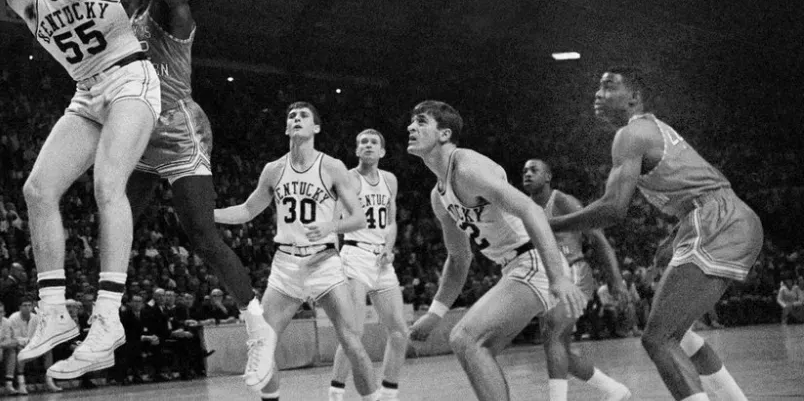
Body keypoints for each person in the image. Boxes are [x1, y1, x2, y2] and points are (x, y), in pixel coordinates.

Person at [78, 0, 278, 384]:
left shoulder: (176, 3)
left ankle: (257, 326)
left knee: (202, 237)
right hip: (138, 123)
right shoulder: (132, 7)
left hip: (178, 126)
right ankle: (104, 320)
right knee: (112, 212)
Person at [5, 0, 162, 379]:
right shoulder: (28, 1)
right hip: (87, 93)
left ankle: (108, 317)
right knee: (37, 190)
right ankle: (54, 311)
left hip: (130, 77)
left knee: (107, 186)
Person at [550, 67, 762, 401]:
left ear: (633, 97)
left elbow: (613, 208)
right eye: (597, 88)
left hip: (716, 219)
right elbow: (704, 181)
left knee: (658, 339)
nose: (597, 94)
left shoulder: (632, 134)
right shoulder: (654, 129)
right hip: (727, 216)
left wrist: (551, 224)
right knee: (683, 337)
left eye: (608, 87)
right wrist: (676, 234)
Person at [404, 101, 586, 401]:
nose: (411, 127)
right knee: (476, 346)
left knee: (466, 339)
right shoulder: (439, 196)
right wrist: (435, 313)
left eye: (421, 121)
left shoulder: (467, 167)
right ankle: (614, 391)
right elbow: (459, 258)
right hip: (515, 267)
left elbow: (531, 209)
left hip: (534, 260)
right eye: (412, 122)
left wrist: (558, 277)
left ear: (444, 134)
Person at [215, 102, 380, 400]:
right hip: (286, 265)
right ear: (287, 128)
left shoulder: (331, 166)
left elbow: (359, 218)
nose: (297, 119)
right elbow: (247, 210)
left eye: (304, 116)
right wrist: (207, 215)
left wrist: (331, 228)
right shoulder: (274, 169)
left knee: (352, 343)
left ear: (316, 127)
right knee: (263, 344)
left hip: (324, 262)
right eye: (292, 116)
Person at [521, 158, 632, 400]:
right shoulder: (525, 207)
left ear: (548, 176)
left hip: (575, 273)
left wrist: (615, 280)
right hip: (549, 279)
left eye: (534, 170)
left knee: (553, 338)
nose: (527, 174)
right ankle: (615, 391)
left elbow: (599, 239)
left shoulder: (562, 201)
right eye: (524, 171)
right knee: (560, 350)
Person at [329, 129, 409, 401]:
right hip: (354, 255)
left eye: (374, 142)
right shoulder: (348, 179)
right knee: (355, 331)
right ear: (356, 150)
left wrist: (389, 248)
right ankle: (336, 393)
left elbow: (391, 222)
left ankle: (388, 394)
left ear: (382, 151)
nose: (368, 145)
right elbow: (334, 221)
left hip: (381, 260)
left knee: (400, 331)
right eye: (362, 141)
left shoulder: (390, 180)